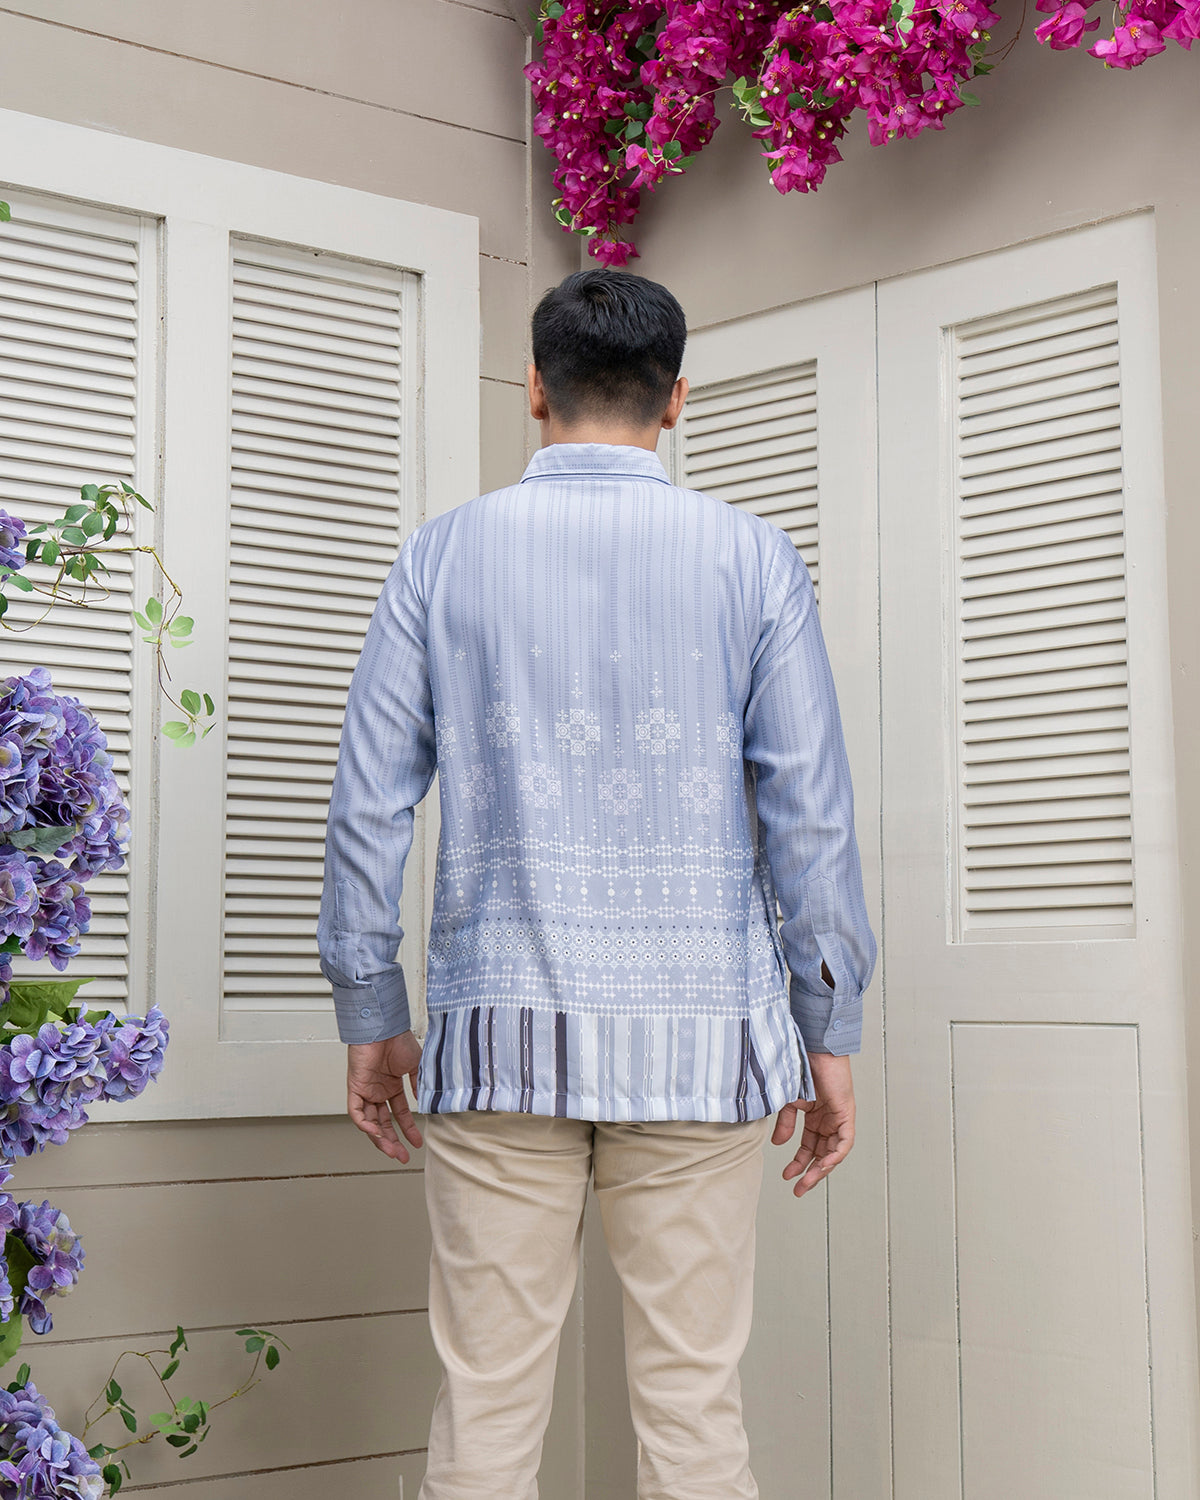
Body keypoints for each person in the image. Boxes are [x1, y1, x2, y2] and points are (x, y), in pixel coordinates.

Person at [316, 268, 877, 1500]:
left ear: (534, 387)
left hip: (498, 1040)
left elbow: (368, 804)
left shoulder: (439, 558)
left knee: (485, 1411)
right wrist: (828, 1025)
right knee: (694, 1413)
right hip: (700, 1045)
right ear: (676, 399)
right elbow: (811, 815)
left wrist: (370, 1008)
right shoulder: (755, 561)